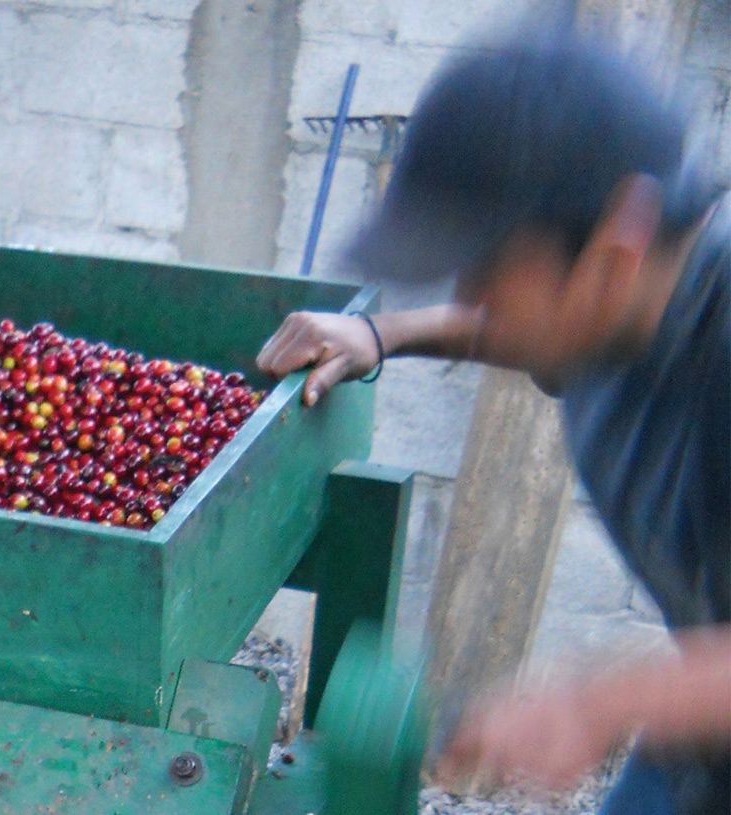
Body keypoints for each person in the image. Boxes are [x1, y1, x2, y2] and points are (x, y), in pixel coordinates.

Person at [256, 30, 728, 814]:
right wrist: (382, 336)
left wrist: (596, 701)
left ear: (614, 247)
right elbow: (524, 325)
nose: (477, 303)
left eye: (489, 276)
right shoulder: (616, 306)